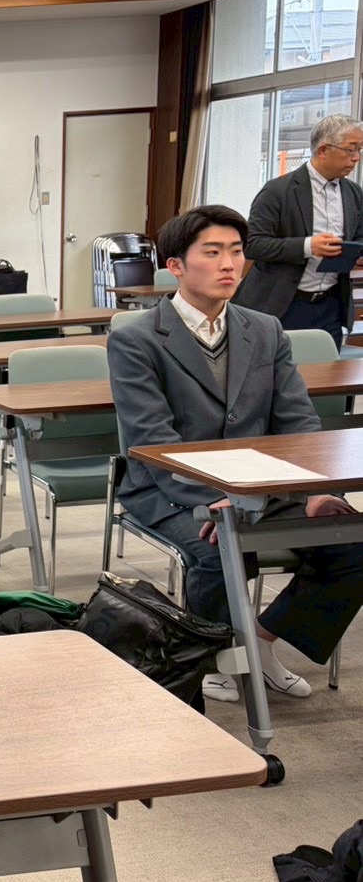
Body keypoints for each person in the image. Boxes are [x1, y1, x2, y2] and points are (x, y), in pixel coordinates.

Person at [109, 205, 363, 703]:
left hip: (264, 485)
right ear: (176, 265)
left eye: (236, 251)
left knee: (351, 542)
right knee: (218, 548)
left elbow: (297, 422)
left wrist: (316, 491)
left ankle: (259, 642)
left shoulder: (265, 329)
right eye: (212, 252)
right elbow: (153, 439)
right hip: (171, 488)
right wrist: (216, 495)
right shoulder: (136, 338)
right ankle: (213, 656)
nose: (229, 264)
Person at [234, 113, 363, 348]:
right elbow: (252, 244)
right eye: (350, 149)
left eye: (359, 150)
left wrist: (357, 253)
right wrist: (308, 246)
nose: (356, 157)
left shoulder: (353, 193)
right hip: (281, 304)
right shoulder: (277, 191)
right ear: (323, 150)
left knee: (326, 369)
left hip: (330, 305)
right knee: (276, 369)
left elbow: (359, 236)